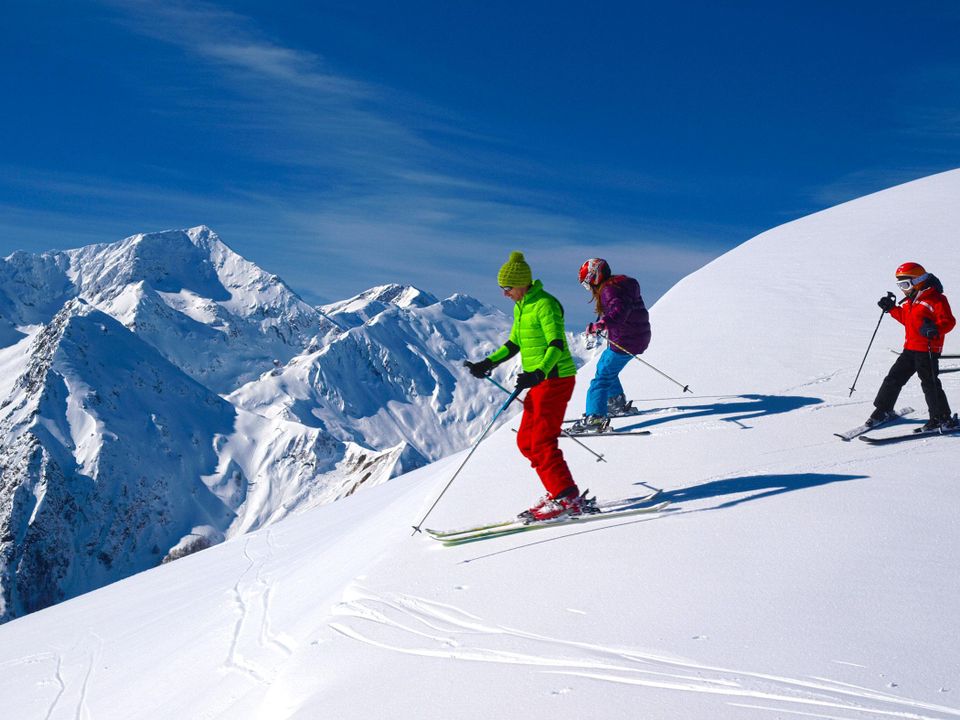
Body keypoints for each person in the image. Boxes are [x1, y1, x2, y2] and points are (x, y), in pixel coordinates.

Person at [464, 251, 592, 522]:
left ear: (521, 283)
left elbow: (557, 343)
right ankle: (557, 490)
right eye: (502, 288)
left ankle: (567, 498)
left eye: (507, 288)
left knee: (542, 440)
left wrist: (538, 373)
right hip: (539, 380)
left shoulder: (546, 304)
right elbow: (514, 344)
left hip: (555, 379)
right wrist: (487, 363)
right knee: (525, 441)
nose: (504, 293)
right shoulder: (521, 306)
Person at [868, 262, 957, 431]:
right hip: (910, 348)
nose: (903, 289)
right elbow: (908, 320)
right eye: (900, 285)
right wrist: (892, 308)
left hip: (928, 349)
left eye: (905, 284)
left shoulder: (936, 299)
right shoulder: (911, 300)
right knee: (893, 378)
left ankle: (942, 418)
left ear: (919, 280)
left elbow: (949, 321)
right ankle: (883, 409)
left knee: (929, 384)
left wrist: (935, 329)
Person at [570, 258, 651, 433]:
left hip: (625, 341)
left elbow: (618, 312)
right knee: (605, 368)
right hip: (634, 338)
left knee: (601, 380)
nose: (588, 288)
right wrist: (602, 322)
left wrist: (600, 325)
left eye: (587, 283)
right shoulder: (620, 285)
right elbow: (618, 309)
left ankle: (595, 418)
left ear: (595, 277)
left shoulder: (609, 290)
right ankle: (616, 402)